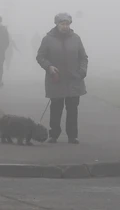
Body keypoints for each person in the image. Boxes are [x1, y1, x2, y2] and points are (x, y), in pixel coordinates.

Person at [36, 12, 88, 144]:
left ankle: (72, 136)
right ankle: (54, 135)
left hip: (74, 80)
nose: (65, 26)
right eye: (62, 24)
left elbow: (83, 57)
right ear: (57, 24)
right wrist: (49, 67)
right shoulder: (48, 39)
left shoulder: (76, 38)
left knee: (72, 109)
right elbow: (40, 57)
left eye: (67, 24)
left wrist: (82, 71)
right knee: (56, 109)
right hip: (56, 79)